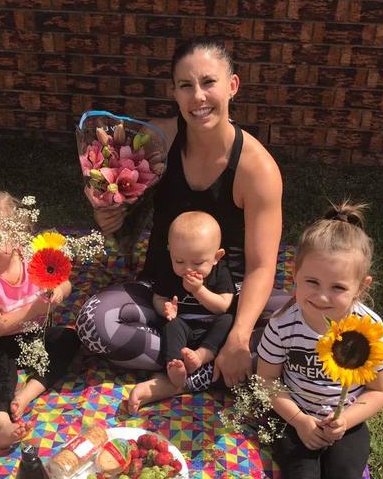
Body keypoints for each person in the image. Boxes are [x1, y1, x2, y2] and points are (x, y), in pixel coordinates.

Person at [75, 37, 285, 410]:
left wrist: (237, 334)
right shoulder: (157, 141)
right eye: (186, 86)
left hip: (225, 301)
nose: (198, 97)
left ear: (233, 86)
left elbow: (262, 266)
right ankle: (217, 364)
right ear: (173, 91)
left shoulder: (257, 170)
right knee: (93, 323)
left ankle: (208, 362)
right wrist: (107, 212)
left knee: (311, 331)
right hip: (163, 293)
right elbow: (125, 230)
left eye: (209, 82)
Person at [256, 201, 383, 479]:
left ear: (361, 286)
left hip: (347, 422)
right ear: (295, 274)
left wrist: (344, 420)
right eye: (312, 282)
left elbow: (379, 391)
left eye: (338, 287)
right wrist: (299, 421)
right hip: (292, 417)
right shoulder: (282, 325)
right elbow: (266, 381)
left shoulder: (370, 330)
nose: (322, 297)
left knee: (345, 472)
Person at [0, 190, 80, 450]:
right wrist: (35, 308)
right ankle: (1, 424)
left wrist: (59, 291)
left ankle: (27, 394)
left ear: (17, 236)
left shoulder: (33, 257)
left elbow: (65, 282)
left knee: (70, 339)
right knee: (1, 377)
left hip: (33, 335)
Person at [155, 211, 235, 389]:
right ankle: (175, 366)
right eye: (179, 261)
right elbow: (158, 297)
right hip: (184, 323)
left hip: (211, 325)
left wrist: (198, 290)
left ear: (217, 257)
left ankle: (201, 356)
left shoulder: (220, 272)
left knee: (228, 320)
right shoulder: (168, 272)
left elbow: (223, 306)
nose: (188, 269)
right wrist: (165, 308)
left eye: (198, 263)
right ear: (170, 252)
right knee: (171, 325)